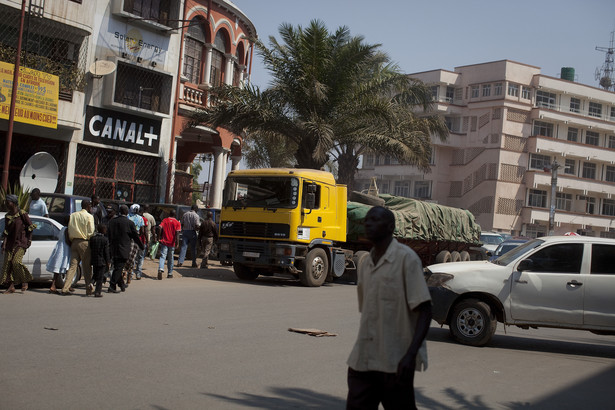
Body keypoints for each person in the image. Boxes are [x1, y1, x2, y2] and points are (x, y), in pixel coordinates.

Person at [346, 206, 432, 410]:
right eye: (367, 220)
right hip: (364, 360)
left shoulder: (406, 259)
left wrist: (410, 355)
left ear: (390, 227)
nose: (368, 223)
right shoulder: (366, 264)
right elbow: (368, 312)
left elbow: (425, 310)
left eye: (375, 219)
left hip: (395, 363)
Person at [1, 194, 35, 293]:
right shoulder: (8, 216)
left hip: (21, 242)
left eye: (8, 202)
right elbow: (6, 231)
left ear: (14, 203)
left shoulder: (22, 214)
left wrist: (29, 240)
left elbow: (30, 227)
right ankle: (11, 286)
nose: (7, 204)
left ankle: (25, 280)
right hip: (10, 243)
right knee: (7, 264)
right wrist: (4, 243)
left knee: (16, 261)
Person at [61, 199, 95, 296]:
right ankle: (89, 289)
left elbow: (70, 229)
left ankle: (65, 288)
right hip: (84, 242)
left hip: (74, 242)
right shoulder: (89, 216)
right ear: (88, 206)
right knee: (87, 267)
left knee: (72, 266)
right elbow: (91, 232)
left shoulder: (73, 215)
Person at [107, 205, 143, 293]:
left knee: (117, 266)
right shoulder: (129, 223)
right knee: (119, 268)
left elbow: (109, 234)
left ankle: (121, 284)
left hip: (113, 247)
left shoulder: (112, 222)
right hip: (123, 248)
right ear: (127, 212)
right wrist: (141, 245)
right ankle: (112, 286)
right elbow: (135, 236)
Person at [46, 226, 72, 293]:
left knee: (59, 268)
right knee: (66, 267)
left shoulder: (62, 228)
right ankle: (56, 285)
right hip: (64, 248)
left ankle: (66, 285)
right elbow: (67, 240)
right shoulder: (67, 229)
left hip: (60, 247)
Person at [158, 209, 181, 280]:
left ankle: (161, 268)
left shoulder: (165, 220)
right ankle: (170, 273)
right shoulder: (177, 222)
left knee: (163, 256)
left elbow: (159, 227)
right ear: (175, 215)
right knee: (171, 258)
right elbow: (177, 233)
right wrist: (177, 243)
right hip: (172, 243)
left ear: (169, 214)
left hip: (164, 241)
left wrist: (159, 237)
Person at [89, 224, 111, 297]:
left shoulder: (93, 238)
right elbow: (106, 252)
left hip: (94, 259)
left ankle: (91, 283)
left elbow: (91, 248)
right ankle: (97, 292)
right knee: (100, 277)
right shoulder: (105, 240)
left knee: (95, 273)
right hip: (102, 261)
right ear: (103, 230)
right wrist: (108, 261)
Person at [126, 204, 145, 281]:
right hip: (135, 239)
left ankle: (125, 272)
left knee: (126, 256)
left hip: (126, 238)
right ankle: (133, 273)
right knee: (134, 256)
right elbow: (142, 231)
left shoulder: (127, 216)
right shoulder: (140, 218)